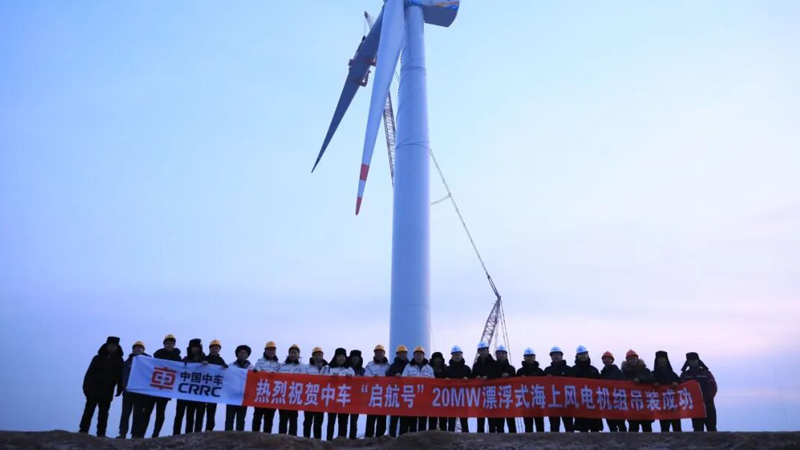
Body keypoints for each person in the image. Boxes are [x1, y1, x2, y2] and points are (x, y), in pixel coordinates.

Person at [79, 336, 124, 437]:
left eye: (114, 345)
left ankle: (101, 433)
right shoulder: (97, 358)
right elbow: (89, 374)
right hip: (93, 390)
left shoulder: (119, 361)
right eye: (110, 345)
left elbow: (120, 376)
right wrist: (86, 388)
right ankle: (83, 430)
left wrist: (119, 388)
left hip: (108, 391)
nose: (112, 347)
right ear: (106, 345)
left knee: (104, 413)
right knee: (88, 410)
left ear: (117, 347)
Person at [117, 341, 151, 439]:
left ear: (143, 350)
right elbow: (123, 375)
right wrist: (124, 387)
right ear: (132, 350)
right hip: (128, 392)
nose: (137, 349)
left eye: (140, 348)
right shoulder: (127, 362)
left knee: (138, 414)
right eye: (136, 348)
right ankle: (122, 433)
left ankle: (135, 434)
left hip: (140, 393)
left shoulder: (148, 362)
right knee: (125, 413)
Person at [151, 334, 181, 438]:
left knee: (160, 412)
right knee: (147, 411)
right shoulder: (157, 355)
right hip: (152, 388)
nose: (169, 345)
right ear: (164, 344)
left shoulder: (177, 358)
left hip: (165, 389)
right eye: (168, 343)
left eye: (171, 343)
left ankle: (156, 433)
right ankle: (139, 433)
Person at [680, 352, 717, 432]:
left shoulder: (706, 373)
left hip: (708, 405)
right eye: (691, 360)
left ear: (698, 361)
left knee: (712, 428)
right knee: (698, 429)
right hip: (695, 406)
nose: (693, 362)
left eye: (694, 360)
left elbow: (713, 387)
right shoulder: (685, 375)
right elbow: (680, 389)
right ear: (688, 362)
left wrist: (707, 398)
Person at [175, 338, 205, 434]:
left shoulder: (205, 360)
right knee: (181, 414)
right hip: (184, 391)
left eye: (197, 347)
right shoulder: (185, 359)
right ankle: (176, 434)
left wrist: (207, 365)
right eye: (193, 347)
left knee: (193, 415)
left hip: (197, 392)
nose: (195, 349)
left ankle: (192, 434)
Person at [401, 346, 434, 434]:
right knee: (412, 422)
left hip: (424, 399)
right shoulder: (408, 367)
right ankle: (412, 440)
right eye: (417, 355)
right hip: (412, 398)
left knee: (423, 421)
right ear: (414, 356)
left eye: (420, 355)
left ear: (423, 356)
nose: (418, 356)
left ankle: (421, 440)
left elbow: (433, 382)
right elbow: (403, 380)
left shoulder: (429, 368)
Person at [622, 349, 655, 432]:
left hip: (645, 404)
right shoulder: (624, 372)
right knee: (633, 428)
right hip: (631, 404)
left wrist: (641, 380)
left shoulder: (645, 370)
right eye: (630, 359)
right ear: (627, 361)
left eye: (634, 358)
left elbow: (652, 379)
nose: (632, 361)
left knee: (647, 428)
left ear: (637, 359)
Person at [571, 345, 602, 432]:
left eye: (584, 354)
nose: (583, 356)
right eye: (580, 354)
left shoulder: (594, 370)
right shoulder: (573, 370)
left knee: (595, 429)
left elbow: (600, 385)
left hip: (593, 402)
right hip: (580, 402)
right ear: (577, 356)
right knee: (583, 429)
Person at [252, 341, 280, 433]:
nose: (271, 352)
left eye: (273, 350)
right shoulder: (260, 362)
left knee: (269, 418)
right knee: (257, 417)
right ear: (265, 351)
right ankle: (254, 436)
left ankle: (267, 437)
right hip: (261, 393)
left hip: (272, 395)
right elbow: (256, 375)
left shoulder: (278, 364)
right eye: (269, 350)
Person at [544, 346, 574, 432]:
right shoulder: (547, 370)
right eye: (554, 355)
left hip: (566, 402)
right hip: (552, 403)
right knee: (554, 427)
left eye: (558, 354)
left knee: (569, 426)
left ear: (561, 356)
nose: (556, 356)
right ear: (551, 357)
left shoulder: (569, 370)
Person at [327, 348, 354, 440]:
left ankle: (342, 442)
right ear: (335, 357)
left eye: (343, 356)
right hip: (332, 399)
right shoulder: (329, 368)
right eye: (339, 356)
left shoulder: (349, 369)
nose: (341, 358)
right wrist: (331, 377)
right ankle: (329, 441)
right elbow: (323, 379)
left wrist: (351, 378)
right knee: (331, 422)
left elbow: (355, 383)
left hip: (344, 399)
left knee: (343, 423)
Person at [278, 344, 305, 435]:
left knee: (293, 419)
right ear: (288, 354)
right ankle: (281, 438)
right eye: (291, 352)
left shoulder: (302, 367)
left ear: (298, 354)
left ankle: (293, 439)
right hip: (283, 396)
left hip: (295, 396)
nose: (293, 354)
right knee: (283, 419)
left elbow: (306, 380)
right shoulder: (282, 366)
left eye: (295, 352)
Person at [516, 348, 545, 433]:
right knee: (528, 426)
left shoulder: (540, 371)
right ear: (524, 358)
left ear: (534, 357)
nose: (529, 358)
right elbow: (515, 386)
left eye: (531, 356)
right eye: (527, 356)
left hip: (538, 401)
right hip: (526, 402)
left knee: (540, 425)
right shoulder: (520, 372)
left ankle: (541, 440)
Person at [364, 345, 390, 438]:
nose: (379, 354)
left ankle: (380, 439)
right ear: (374, 353)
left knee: (382, 420)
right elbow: (365, 376)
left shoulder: (388, 365)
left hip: (384, 396)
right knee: (370, 419)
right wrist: (373, 378)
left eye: (380, 352)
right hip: (373, 395)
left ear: (384, 353)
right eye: (377, 352)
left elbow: (391, 377)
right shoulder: (369, 365)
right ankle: (368, 439)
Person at [653, 350, 681, 432]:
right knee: (664, 428)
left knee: (677, 428)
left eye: (663, 359)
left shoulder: (673, 374)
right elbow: (647, 385)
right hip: (662, 406)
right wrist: (653, 384)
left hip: (674, 406)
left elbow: (681, 385)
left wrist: (676, 383)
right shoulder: (653, 374)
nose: (661, 361)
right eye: (659, 359)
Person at [225, 345, 252, 431]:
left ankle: (240, 436)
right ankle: (227, 436)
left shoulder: (252, 368)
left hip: (243, 397)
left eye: (245, 353)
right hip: (231, 397)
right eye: (241, 352)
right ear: (237, 354)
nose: (242, 354)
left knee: (241, 419)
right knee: (229, 419)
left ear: (247, 355)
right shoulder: (230, 366)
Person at [444, 345, 471, 433]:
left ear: (461, 355)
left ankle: (466, 439)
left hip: (463, 399)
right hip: (451, 400)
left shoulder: (467, 369)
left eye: (458, 354)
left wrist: (468, 379)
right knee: (451, 422)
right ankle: (450, 439)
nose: (456, 356)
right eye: (455, 355)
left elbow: (473, 383)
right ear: (452, 356)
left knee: (464, 422)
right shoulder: (447, 369)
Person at [203, 339, 227, 431]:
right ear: (210, 349)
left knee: (211, 411)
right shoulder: (205, 358)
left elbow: (225, 373)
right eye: (213, 347)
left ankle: (209, 429)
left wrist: (225, 367)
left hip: (213, 390)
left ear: (219, 349)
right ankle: (198, 430)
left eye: (216, 348)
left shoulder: (221, 360)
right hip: (203, 389)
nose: (214, 349)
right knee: (200, 411)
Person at [304, 347, 329, 439]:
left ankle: (317, 442)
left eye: (319, 354)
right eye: (316, 355)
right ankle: (305, 440)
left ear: (322, 356)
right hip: (309, 397)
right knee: (307, 421)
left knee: (318, 423)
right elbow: (302, 380)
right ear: (312, 356)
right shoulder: (307, 367)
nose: (318, 356)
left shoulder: (327, 368)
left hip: (321, 399)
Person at [471, 341, 496, 433]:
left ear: (488, 351)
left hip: (491, 394)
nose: (483, 352)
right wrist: (476, 377)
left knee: (491, 419)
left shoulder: (494, 363)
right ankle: (480, 437)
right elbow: (472, 376)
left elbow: (497, 375)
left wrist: (488, 377)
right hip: (480, 395)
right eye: (481, 350)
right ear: (478, 352)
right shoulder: (476, 365)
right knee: (480, 419)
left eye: (484, 350)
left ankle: (492, 436)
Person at [491, 345, 517, 433]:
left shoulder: (511, 369)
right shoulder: (492, 369)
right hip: (497, 401)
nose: (500, 355)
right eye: (498, 353)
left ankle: (514, 440)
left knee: (511, 425)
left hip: (509, 400)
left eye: (502, 353)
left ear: (506, 355)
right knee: (499, 426)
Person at [600, 351, 626, 432]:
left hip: (617, 402)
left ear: (612, 360)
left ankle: (624, 439)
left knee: (621, 426)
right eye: (605, 359)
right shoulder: (602, 373)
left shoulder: (618, 372)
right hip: (607, 403)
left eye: (609, 359)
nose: (607, 360)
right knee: (611, 426)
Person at [386, 345, 409, 437]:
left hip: (406, 396)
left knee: (404, 421)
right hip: (395, 396)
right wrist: (394, 376)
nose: (402, 355)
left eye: (404, 353)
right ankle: (392, 439)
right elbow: (388, 378)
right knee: (393, 420)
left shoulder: (410, 365)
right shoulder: (393, 366)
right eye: (400, 353)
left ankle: (402, 439)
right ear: (397, 354)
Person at [347, 349, 365, 439]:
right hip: (345, 396)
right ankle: (341, 438)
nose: (355, 359)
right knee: (343, 420)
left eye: (356, 358)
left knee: (354, 420)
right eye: (353, 357)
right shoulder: (346, 369)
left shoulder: (363, 370)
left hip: (357, 398)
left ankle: (352, 438)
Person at [428, 352, 448, 431]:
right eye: (436, 359)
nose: (438, 360)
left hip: (443, 398)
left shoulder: (446, 368)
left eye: (439, 359)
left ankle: (444, 436)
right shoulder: (428, 368)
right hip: (431, 398)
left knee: (443, 422)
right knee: (432, 421)